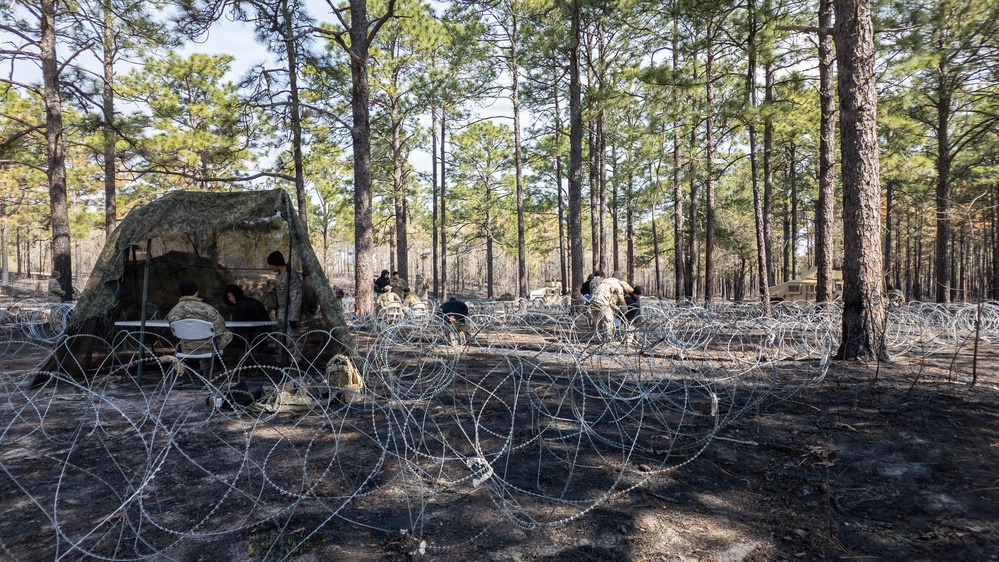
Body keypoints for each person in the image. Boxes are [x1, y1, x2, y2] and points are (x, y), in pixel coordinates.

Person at [166, 279, 232, 372]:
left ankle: (206, 367)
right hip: (208, 347)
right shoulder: (207, 309)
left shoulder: (173, 312)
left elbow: (174, 332)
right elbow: (220, 329)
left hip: (186, 349)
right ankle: (223, 366)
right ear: (196, 291)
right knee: (228, 333)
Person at [266, 251, 303, 331]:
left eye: (270, 264)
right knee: (282, 337)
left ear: (275, 263)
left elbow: (296, 296)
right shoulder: (280, 275)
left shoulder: (290, 274)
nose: (270, 267)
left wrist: (294, 317)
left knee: (291, 340)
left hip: (290, 311)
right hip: (282, 311)